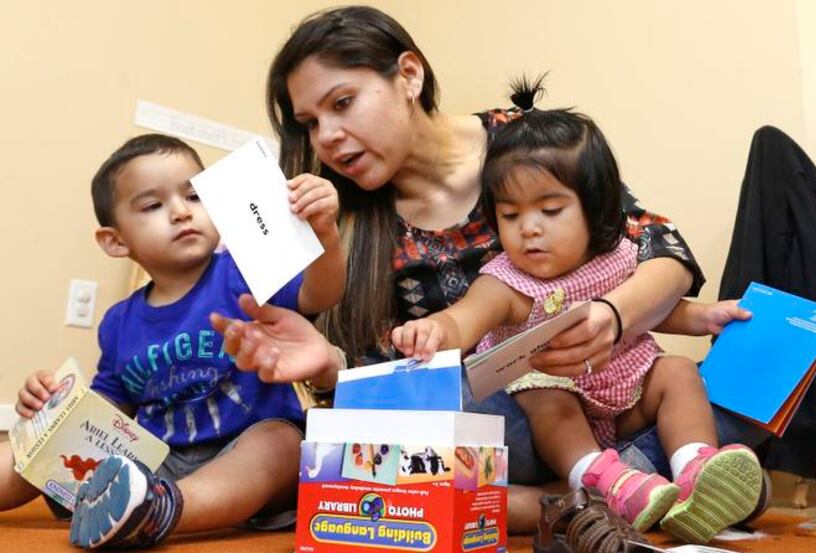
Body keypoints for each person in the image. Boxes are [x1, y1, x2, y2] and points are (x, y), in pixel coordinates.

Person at [216, 4, 738, 532]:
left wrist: (613, 314)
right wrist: (333, 368)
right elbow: (396, 387)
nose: (326, 136)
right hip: (508, 419)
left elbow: (656, 251)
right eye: (310, 124)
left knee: (746, 364)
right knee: (434, 424)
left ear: (409, 75)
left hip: (617, 389)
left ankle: (602, 492)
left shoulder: (523, 145)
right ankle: (607, 492)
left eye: (343, 103)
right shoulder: (342, 219)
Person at [390, 78, 762, 543]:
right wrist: (431, 330)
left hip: (625, 391)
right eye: (510, 216)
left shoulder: (618, 256)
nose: (529, 229)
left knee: (679, 372)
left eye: (550, 210)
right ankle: (603, 480)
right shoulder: (504, 281)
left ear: (595, 209)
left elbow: (661, 312)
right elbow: (463, 318)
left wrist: (704, 317)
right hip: (559, 414)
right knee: (549, 401)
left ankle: (696, 469)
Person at [0, 133, 346, 549]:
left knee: (282, 443)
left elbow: (320, 293)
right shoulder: (118, 322)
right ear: (116, 241)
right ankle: (138, 503)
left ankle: (161, 511)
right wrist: (53, 409)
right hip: (156, 464)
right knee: (53, 437)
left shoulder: (244, 272)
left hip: (247, 456)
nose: (182, 212)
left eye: (195, 197)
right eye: (153, 205)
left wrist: (325, 235)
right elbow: (111, 404)